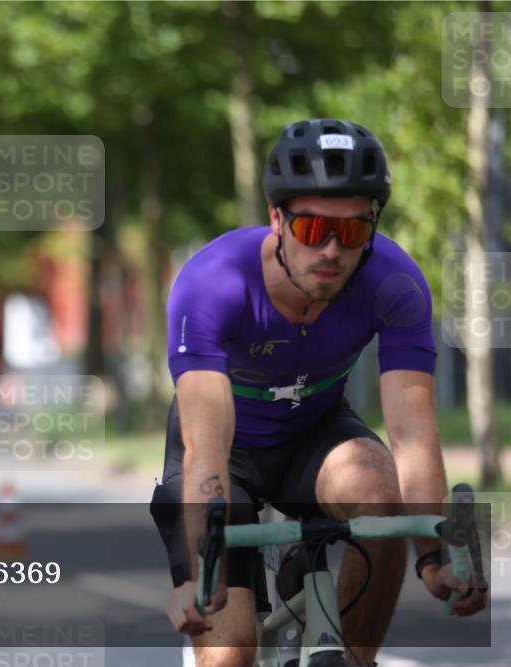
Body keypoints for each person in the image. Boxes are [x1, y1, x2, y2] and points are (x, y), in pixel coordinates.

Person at [149, 118, 487, 667]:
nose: (332, 249)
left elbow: (412, 436)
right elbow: (206, 446)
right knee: (229, 654)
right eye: (312, 229)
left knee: (379, 494)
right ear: (276, 220)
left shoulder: (396, 284)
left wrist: (434, 554)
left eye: (352, 232)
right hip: (226, 454)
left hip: (316, 434)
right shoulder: (213, 281)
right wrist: (198, 569)